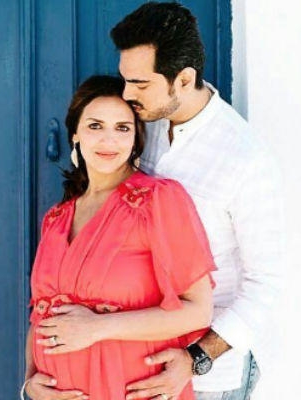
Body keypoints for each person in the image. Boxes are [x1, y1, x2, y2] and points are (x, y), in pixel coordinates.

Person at [108, 3, 284, 400]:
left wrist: (196, 358)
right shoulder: (143, 126)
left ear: (184, 80)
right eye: (125, 80)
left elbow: (265, 284)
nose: (126, 94)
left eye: (140, 84)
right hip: (139, 358)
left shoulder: (246, 159)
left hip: (209, 374)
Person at [21, 75, 217, 400]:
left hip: (130, 388)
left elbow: (198, 311)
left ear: (136, 137)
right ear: (75, 134)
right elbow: (42, 315)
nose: (108, 140)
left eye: (122, 128)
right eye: (95, 126)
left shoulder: (158, 200)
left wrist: (98, 328)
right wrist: (30, 383)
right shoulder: (56, 218)